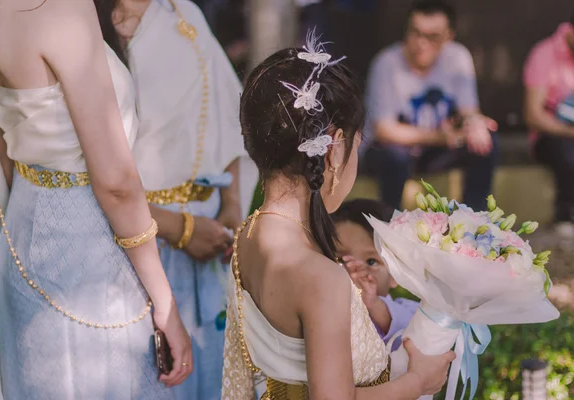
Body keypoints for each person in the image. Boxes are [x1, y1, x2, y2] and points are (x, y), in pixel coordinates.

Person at [0, 1, 192, 398]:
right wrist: (164, 303)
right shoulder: (60, 6)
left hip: (22, 238)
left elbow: (6, 146)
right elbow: (116, 184)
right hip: (85, 253)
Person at [221, 33, 454, 399]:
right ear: (333, 149)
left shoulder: (249, 236)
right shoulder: (319, 275)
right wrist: (418, 382)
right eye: (356, 148)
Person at [112, 0, 252, 398]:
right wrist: (182, 230)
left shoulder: (183, 11)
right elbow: (97, 173)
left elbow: (227, 107)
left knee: (212, 368)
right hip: (140, 233)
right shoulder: (96, 21)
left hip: (211, 231)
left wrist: (231, 205)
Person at [361, 0, 497, 212]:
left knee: (484, 143)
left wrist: (474, 124)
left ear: (449, 37)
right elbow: (384, 130)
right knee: (394, 155)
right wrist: (440, 136)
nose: (421, 43)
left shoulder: (457, 57)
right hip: (387, 150)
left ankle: (473, 219)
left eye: (433, 37)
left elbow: (468, 109)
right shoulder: (387, 63)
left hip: (434, 149)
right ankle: (389, 222)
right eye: (415, 33)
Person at [332, 199, 419, 352]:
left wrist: (374, 304)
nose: (355, 274)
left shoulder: (409, 311)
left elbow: (410, 333)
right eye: (340, 260)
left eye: (371, 262)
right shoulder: (319, 311)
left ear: (396, 275)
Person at [523, 12, 574, 238]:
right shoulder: (544, 54)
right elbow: (533, 115)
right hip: (549, 136)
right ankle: (565, 216)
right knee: (567, 151)